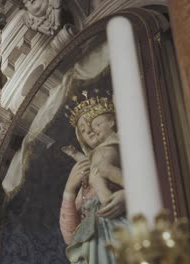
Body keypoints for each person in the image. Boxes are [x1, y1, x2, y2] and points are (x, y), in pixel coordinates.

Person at [59, 90, 128, 263]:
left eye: (95, 123)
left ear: (111, 122)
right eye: (83, 129)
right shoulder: (84, 176)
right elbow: (71, 237)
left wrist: (129, 195)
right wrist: (69, 190)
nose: (89, 130)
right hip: (96, 246)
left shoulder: (126, 147)